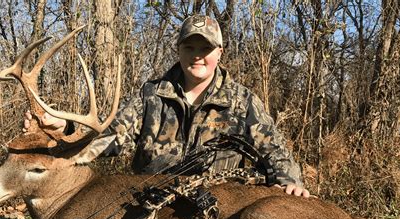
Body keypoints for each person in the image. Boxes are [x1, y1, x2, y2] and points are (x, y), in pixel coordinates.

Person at [25, 15, 310, 197]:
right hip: (151, 198)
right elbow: (113, 137)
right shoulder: (153, 94)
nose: (197, 57)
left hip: (214, 204)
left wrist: (291, 182)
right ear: (179, 50)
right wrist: (67, 128)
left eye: (205, 49)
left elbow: (274, 150)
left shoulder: (242, 101)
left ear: (219, 53)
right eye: (190, 48)